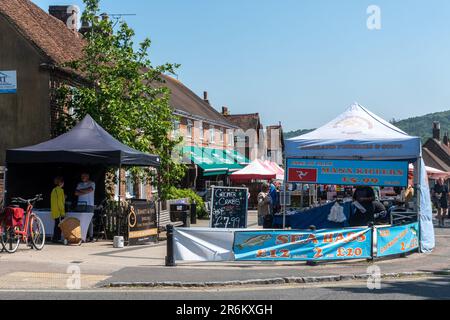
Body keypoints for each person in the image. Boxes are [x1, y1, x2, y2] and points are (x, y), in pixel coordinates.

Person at [75, 172, 96, 241]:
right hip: (80, 204)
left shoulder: (92, 183)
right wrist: (85, 191)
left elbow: (90, 190)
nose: (82, 177)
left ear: (88, 176)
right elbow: (76, 193)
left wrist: (81, 191)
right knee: (80, 220)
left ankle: (91, 236)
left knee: (90, 221)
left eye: (84, 176)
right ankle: (81, 235)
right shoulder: (79, 184)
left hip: (89, 204)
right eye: (82, 176)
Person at [50, 176, 65, 243]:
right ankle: (57, 238)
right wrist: (62, 212)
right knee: (59, 226)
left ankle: (55, 238)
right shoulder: (60, 190)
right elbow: (60, 202)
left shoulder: (53, 190)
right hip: (59, 211)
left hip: (54, 210)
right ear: (61, 183)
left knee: (56, 225)